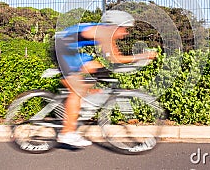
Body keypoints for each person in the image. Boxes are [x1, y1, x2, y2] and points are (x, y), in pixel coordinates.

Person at [55, 10, 157, 147]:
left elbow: (114, 57)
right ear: (115, 26)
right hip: (61, 48)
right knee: (76, 90)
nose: (126, 33)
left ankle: (82, 102)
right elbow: (115, 59)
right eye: (124, 29)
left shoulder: (107, 33)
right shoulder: (104, 33)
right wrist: (142, 56)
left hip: (71, 49)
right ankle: (66, 133)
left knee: (99, 71)